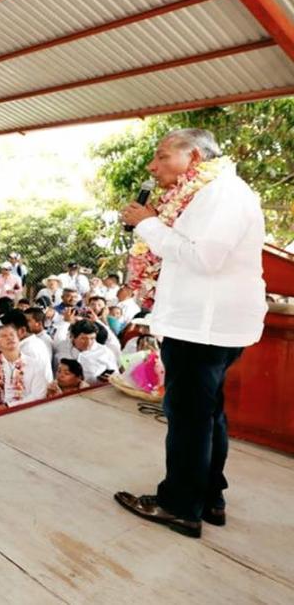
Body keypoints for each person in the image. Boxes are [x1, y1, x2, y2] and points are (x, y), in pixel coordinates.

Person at [116, 128, 267, 538]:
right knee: (208, 414)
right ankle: (209, 496)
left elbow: (204, 257)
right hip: (206, 324)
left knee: (188, 419)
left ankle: (179, 506)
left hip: (203, 327)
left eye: (162, 156)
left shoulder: (223, 194)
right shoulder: (207, 194)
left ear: (194, 157)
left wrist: (147, 224)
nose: (153, 166)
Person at [0, 325, 50, 412]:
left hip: (29, 413)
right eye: (4, 336)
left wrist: (8, 407)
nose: (9, 338)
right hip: (0, 418)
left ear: (18, 338)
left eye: (12, 335)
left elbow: (39, 395)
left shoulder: (34, 364)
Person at [53, 320, 117, 385]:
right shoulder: (61, 347)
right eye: (83, 338)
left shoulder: (105, 352)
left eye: (92, 338)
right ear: (72, 337)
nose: (88, 343)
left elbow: (116, 377)